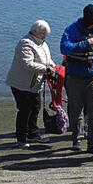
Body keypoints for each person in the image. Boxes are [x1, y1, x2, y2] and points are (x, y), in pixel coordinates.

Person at [60, 4, 93, 155]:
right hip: (75, 77)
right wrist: (86, 43)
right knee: (76, 112)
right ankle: (77, 140)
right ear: (91, 19)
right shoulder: (71, 30)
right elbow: (64, 48)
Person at [6, 20, 56, 149]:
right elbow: (27, 64)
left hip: (34, 84)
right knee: (24, 110)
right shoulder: (25, 43)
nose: (44, 36)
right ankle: (21, 139)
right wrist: (46, 68)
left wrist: (52, 65)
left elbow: (47, 58)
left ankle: (33, 134)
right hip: (21, 84)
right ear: (35, 32)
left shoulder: (42, 43)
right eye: (42, 34)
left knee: (35, 108)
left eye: (45, 34)